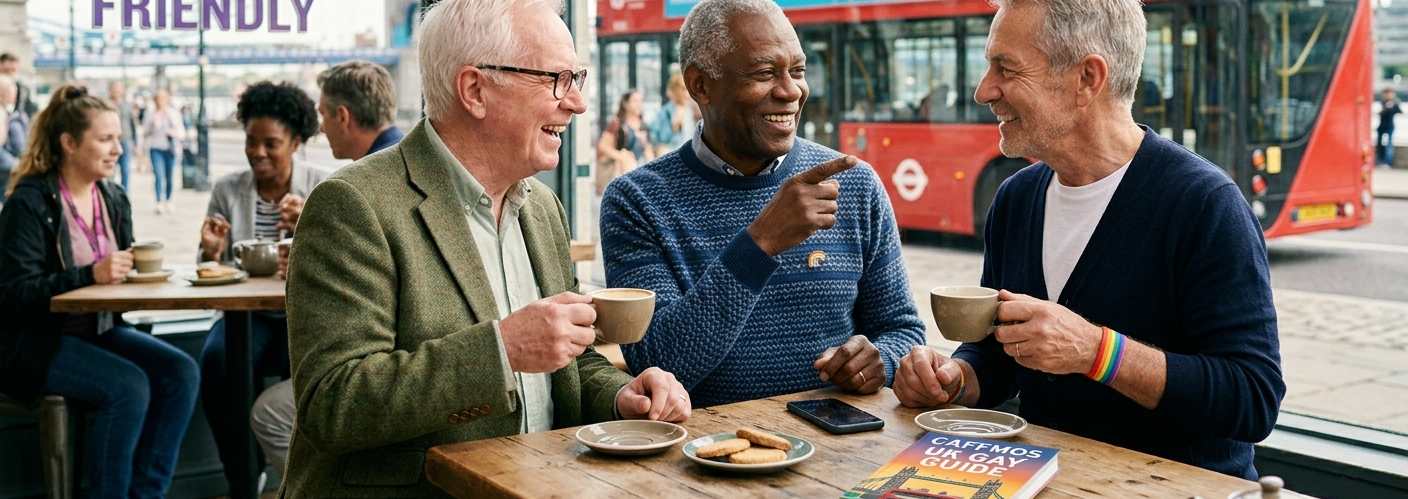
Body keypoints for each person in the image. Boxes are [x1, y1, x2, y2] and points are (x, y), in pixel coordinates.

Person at [280, 0, 691, 495]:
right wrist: (502, 350)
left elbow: (567, 359)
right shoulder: (353, 204)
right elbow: (333, 404)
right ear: (475, 89)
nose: (577, 103)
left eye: (577, 78)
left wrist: (621, 396)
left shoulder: (540, 207)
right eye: (557, 79)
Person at [891, 0, 1284, 480]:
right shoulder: (1016, 199)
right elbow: (998, 351)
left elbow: (1253, 399)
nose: (983, 91)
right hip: (1047, 480)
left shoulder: (1205, 204)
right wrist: (957, 380)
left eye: (1006, 68)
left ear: (1087, 79)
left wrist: (1097, 351)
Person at [599, 0, 926, 408]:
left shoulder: (853, 183)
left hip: (842, 452)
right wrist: (760, 243)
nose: (791, 91)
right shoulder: (637, 201)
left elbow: (903, 330)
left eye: (798, 71)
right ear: (700, 85)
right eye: (765, 73)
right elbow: (659, 362)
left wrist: (883, 363)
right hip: (703, 458)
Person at [0, 85, 199, 497]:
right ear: (69, 143)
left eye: (118, 140)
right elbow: (15, 292)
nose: (118, 150)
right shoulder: (30, 203)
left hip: (99, 329)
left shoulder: (113, 197)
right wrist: (90, 273)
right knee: (128, 386)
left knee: (181, 372)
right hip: (32, 341)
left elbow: (116, 273)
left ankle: (147, 495)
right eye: (106, 140)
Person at [247, 61, 407, 474]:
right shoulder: (396, 167)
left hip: (386, 371)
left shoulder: (363, 186)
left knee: (276, 411)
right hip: (398, 366)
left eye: (322, 115)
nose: (320, 127)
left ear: (343, 116)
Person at [194, 80, 328, 497]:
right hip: (246, 316)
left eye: (271, 143)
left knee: (310, 374)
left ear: (296, 142)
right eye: (251, 142)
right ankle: (243, 478)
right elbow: (207, 270)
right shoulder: (227, 190)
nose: (258, 153)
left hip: (302, 316)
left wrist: (311, 226)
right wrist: (210, 251)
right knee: (217, 364)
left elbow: (340, 265)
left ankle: (305, 477)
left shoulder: (323, 189)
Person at [315, 60, 406, 161]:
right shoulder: (411, 153)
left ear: (342, 117)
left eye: (323, 114)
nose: (322, 129)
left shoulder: (368, 173)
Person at [594, 89, 654, 194]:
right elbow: (603, 145)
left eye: (641, 101)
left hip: (637, 168)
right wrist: (621, 156)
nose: (639, 104)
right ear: (625, 104)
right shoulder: (617, 123)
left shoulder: (643, 125)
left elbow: (648, 151)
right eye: (635, 101)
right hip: (619, 169)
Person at [142, 88, 184, 214]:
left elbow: (181, 132)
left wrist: (172, 131)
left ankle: (169, 200)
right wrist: (152, 124)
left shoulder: (173, 113)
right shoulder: (150, 113)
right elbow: (145, 132)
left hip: (170, 149)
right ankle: (159, 202)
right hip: (155, 148)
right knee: (159, 176)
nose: (160, 101)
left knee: (169, 176)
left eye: (163, 98)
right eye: (158, 99)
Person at [648, 72, 698, 155]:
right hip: (674, 153)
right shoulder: (666, 112)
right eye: (683, 89)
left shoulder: (693, 108)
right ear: (675, 90)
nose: (687, 93)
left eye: (688, 88)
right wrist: (674, 127)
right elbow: (660, 141)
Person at [108, 81, 141, 191]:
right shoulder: (106, 105)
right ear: (110, 90)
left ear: (122, 90)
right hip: (110, 141)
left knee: (126, 170)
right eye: (115, 88)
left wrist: (136, 143)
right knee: (110, 170)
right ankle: (110, 194)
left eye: (119, 88)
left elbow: (133, 124)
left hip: (126, 140)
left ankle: (124, 195)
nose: (117, 91)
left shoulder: (127, 105)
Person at [1, 75, 28, 204]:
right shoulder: (4, 115)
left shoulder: (11, 115)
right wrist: (16, 164)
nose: (14, 97)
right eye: (11, 94)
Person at [0, 53, 37, 119]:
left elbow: (28, 110)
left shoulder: (23, 90)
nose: (10, 73)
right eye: (6, 70)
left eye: (13, 70)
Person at [1378, 88, 1401, 168]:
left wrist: (1392, 106)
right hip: (1381, 126)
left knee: (1389, 144)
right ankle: (1380, 161)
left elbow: (1399, 111)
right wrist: (1386, 108)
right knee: (1380, 144)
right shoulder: (1383, 102)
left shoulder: (1395, 103)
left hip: (1390, 126)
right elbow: (1381, 113)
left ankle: (1388, 162)